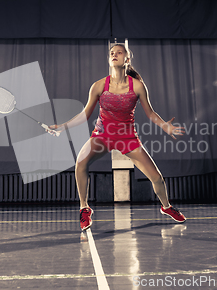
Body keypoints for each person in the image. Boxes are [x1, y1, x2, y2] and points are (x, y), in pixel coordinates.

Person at [50, 43, 186, 231]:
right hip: (102, 135)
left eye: (119, 52)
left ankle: (166, 207)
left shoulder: (137, 86)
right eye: (111, 53)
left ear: (127, 59)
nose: (114, 55)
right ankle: (84, 208)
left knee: (157, 178)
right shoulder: (99, 86)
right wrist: (62, 127)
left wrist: (166, 126)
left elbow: (151, 113)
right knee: (80, 163)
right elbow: (85, 114)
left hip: (127, 137)